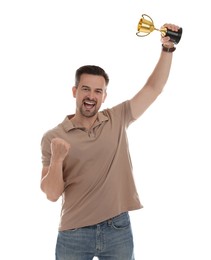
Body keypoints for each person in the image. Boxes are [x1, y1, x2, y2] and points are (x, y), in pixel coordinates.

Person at [40, 23, 180, 260]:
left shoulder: (117, 118)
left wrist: (168, 49)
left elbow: (154, 88)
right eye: (85, 89)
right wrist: (57, 160)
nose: (91, 97)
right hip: (74, 233)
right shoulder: (53, 137)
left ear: (105, 96)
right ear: (75, 91)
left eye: (98, 91)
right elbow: (52, 194)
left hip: (117, 229)